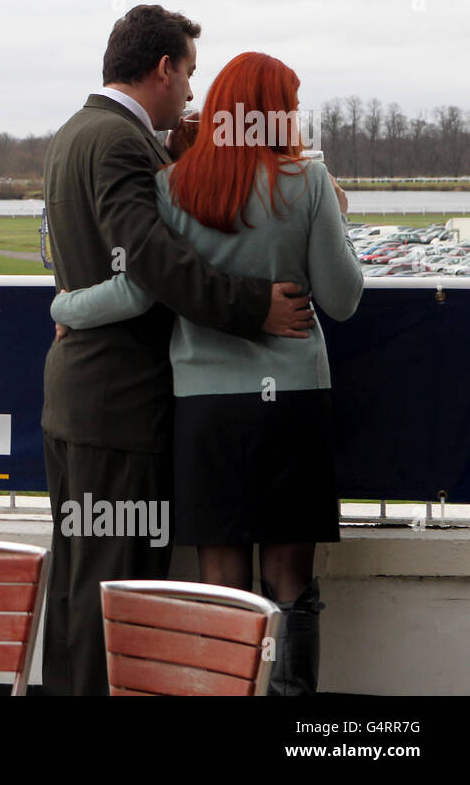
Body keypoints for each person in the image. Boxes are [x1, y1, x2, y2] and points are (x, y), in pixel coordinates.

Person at [51, 51, 363, 695]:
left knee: (219, 588)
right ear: (277, 114)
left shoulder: (174, 188)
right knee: (289, 584)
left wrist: (65, 305)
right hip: (293, 405)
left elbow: (137, 292)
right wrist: (337, 210)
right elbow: (343, 298)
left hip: (205, 409)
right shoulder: (307, 181)